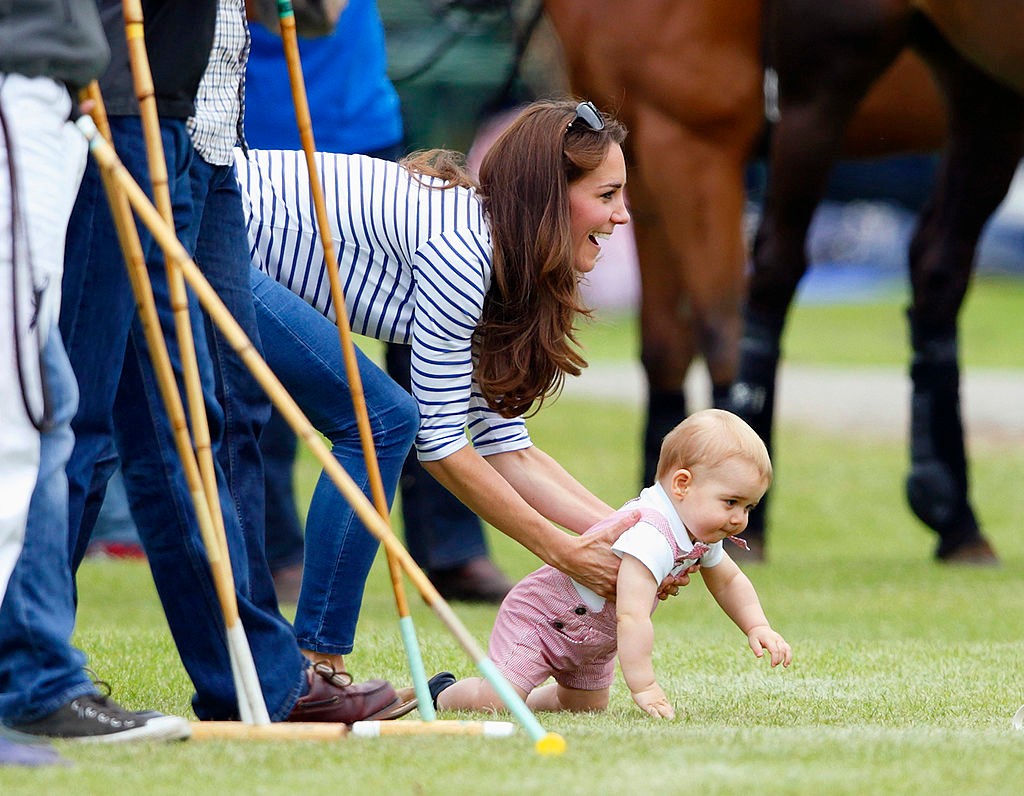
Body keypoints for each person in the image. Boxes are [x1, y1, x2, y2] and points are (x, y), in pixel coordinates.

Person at [0, 0, 410, 736]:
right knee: (89, 413)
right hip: (125, 105)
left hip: (206, 126)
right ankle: (31, 666)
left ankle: (254, 674)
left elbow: (312, 15)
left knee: (202, 416)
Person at [234, 98, 652, 673]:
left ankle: (314, 663)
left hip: (219, 235)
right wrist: (561, 551)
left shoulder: (493, 248)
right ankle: (316, 663)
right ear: (550, 200)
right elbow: (441, 445)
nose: (622, 215)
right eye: (606, 195)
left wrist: (639, 538)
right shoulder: (463, 252)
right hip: (212, 237)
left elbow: (509, 448)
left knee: (386, 420)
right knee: (387, 422)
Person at [243, 0, 512, 604]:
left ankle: (450, 548)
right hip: (258, 136)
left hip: (358, 115)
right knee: (271, 346)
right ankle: (279, 548)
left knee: (431, 336)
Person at [0, 0, 192, 757]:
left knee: (44, 403)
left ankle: (35, 679)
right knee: (27, 410)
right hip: (21, 90)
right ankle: (34, 683)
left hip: (52, 99)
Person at [429, 409, 793, 718]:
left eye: (748, 507)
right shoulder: (650, 533)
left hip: (593, 639)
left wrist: (756, 625)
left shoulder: (699, 530)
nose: (739, 519)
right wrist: (644, 685)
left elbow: (729, 581)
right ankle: (443, 693)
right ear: (682, 484)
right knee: (499, 702)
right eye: (731, 502)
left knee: (582, 707)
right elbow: (632, 616)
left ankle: (529, 696)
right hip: (544, 619)